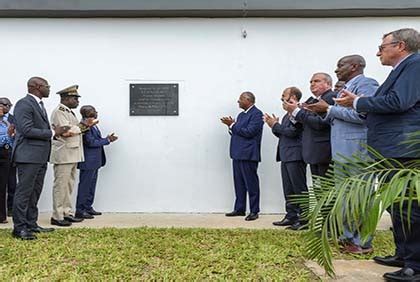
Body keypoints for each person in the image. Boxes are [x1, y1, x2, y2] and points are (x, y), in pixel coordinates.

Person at [335, 28, 420, 281]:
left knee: (409, 207)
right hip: (391, 148)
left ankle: (415, 266)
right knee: (397, 206)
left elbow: (398, 102)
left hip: (403, 147)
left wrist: (359, 102)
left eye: (382, 47)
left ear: (401, 46)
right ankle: (403, 254)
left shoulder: (415, 65)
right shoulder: (401, 69)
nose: (378, 52)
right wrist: (359, 103)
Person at [306, 55, 379, 253]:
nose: (337, 69)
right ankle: (348, 237)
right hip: (342, 152)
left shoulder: (366, 83)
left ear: (354, 66)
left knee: (360, 196)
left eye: (340, 65)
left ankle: (363, 241)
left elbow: (364, 114)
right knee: (345, 197)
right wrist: (325, 112)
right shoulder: (345, 88)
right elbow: (340, 119)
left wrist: (329, 108)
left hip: (357, 151)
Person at [12, 77, 69, 240]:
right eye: (47, 86)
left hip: (40, 156)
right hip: (28, 156)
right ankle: (19, 228)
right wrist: (53, 132)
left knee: (34, 192)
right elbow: (26, 129)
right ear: (37, 87)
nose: (49, 89)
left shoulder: (39, 104)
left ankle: (31, 223)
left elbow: (37, 128)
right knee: (24, 193)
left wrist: (54, 132)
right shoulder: (24, 103)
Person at [50, 85, 96, 226]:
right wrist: (83, 125)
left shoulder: (69, 112)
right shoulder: (60, 111)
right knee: (61, 186)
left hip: (72, 153)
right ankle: (57, 216)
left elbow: (74, 129)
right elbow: (66, 131)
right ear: (66, 98)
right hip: (64, 154)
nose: (77, 101)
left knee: (69, 185)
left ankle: (67, 212)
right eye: (75, 98)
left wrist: (83, 126)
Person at [264, 87, 307, 230]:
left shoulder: (299, 113)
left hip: (296, 156)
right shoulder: (286, 116)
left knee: (299, 188)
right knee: (288, 188)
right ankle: (291, 216)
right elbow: (284, 134)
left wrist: (275, 125)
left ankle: (304, 219)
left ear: (293, 96)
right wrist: (274, 126)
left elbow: (293, 133)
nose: (281, 98)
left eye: (284, 95)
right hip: (285, 155)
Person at [283, 73, 335, 177]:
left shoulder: (331, 97)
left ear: (328, 84)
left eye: (317, 81)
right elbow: (303, 126)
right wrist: (293, 114)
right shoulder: (313, 101)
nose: (312, 84)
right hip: (313, 152)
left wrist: (297, 112)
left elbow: (321, 123)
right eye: (311, 82)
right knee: (318, 191)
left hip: (324, 152)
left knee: (327, 191)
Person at [221, 92, 263, 221]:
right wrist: (231, 126)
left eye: (240, 99)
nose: (238, 102)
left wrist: (233, 125)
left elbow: (249, 132)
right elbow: (238, 132)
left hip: (248, 155)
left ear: (247, 99)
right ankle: (239, 208)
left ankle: (254, 211)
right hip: (237, 153)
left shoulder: (256, 114)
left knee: (251, 183)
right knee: (239, 183)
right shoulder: (241, 115)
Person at [76, 105, 117, 218]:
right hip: (88, 162)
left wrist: (106, 138)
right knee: (85, 186)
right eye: (93, 111)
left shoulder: (93, 125)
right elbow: (91, 142)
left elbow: (97, 140)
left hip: (95, 162)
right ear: (87, 113)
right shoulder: (84, 126)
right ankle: (80, 210)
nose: (96, 112)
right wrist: (107, 140)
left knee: (91, 186)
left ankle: (88, 207)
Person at [0, 97, 17, 216]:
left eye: (7, 105)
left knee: (12, 183)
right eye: (2, 104)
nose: (5, 107)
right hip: (1, 153)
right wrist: (8, 135)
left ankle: (11, 208)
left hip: (11, 154)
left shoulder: (13, 119)